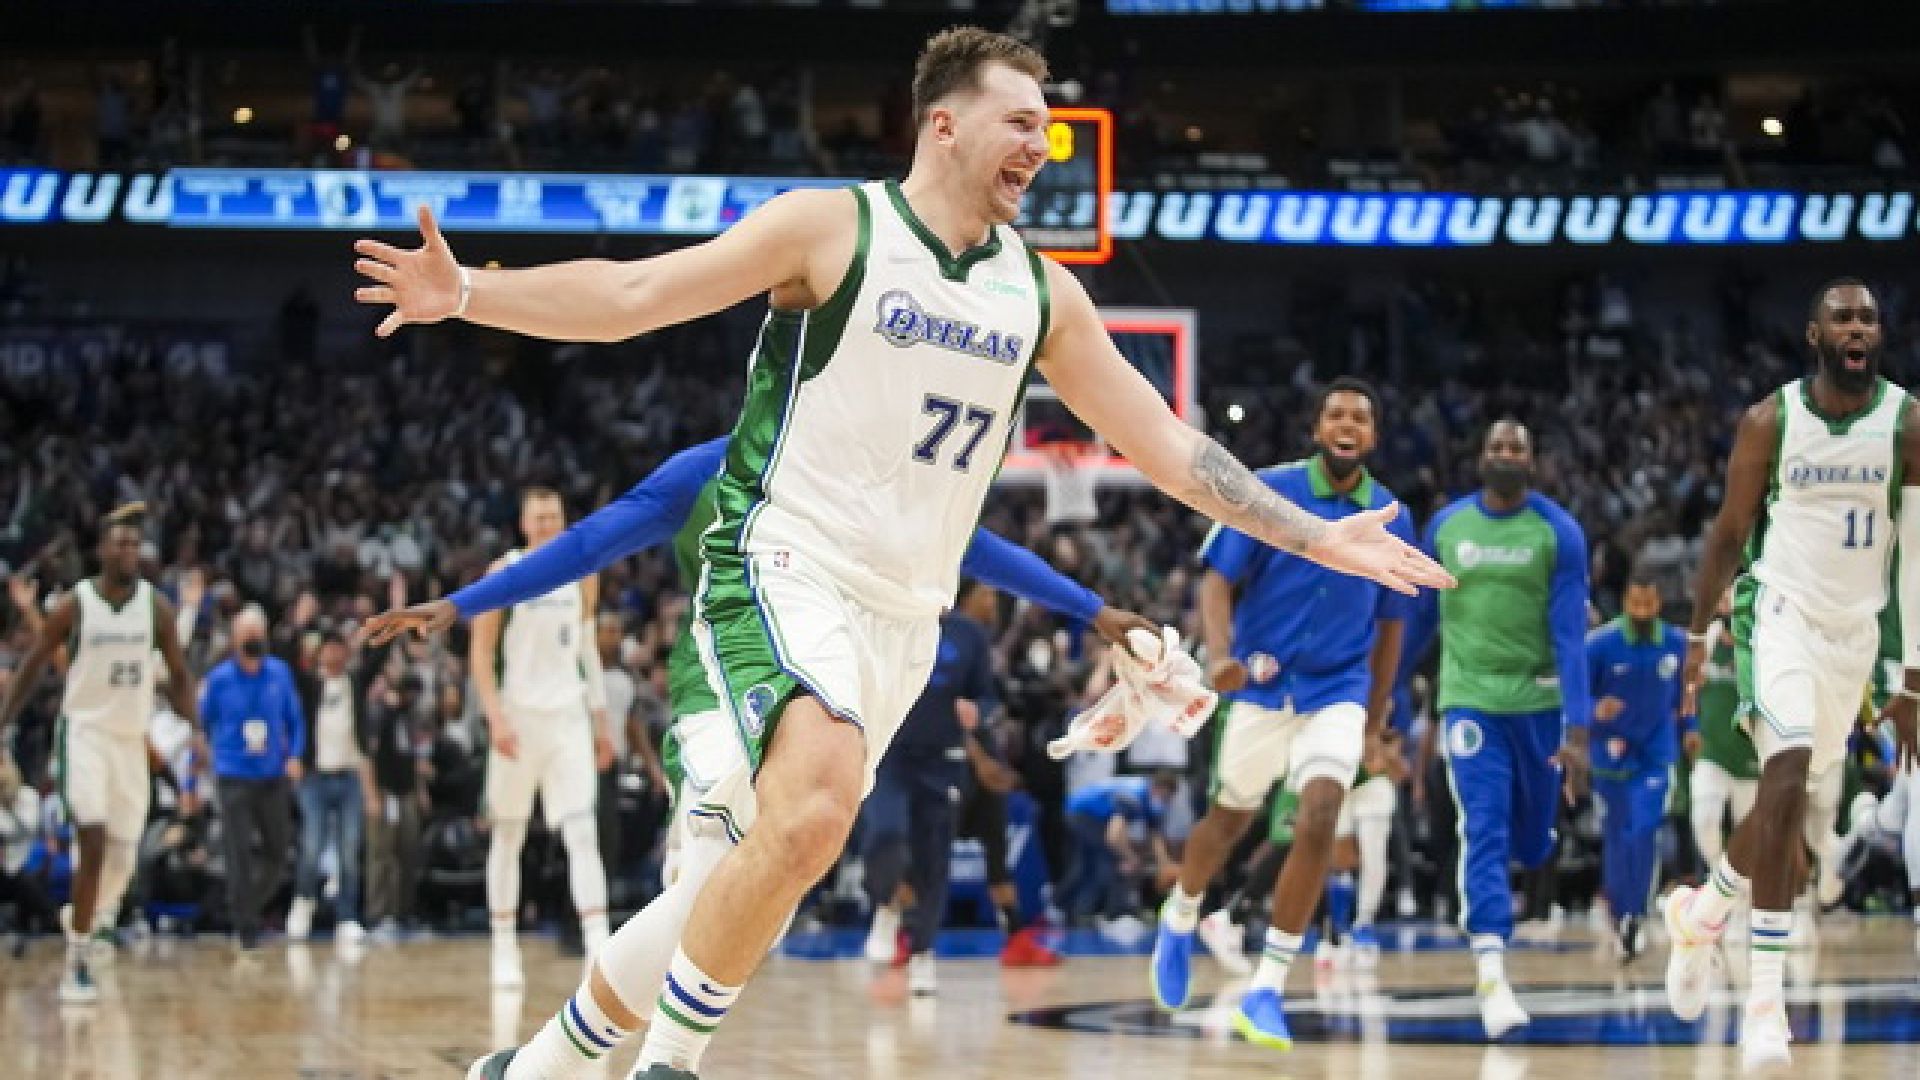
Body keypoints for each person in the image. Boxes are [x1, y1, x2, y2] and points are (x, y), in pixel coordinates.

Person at [354, 27, 1448, 1080]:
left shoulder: (1042, 293)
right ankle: (671, 1067)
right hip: (784, 565)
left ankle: (536, 1066)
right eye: (1021, 122)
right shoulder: (832, 227)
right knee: (817, 806)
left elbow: (1169, 448)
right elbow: (635, 295)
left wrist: (1316, 536)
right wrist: (472, 294)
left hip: (905, 619)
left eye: (1048, 128)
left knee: (749, 872)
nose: (1042, 146)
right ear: (943, 125)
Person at [367, 432, 1147, 1080]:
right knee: (720, 882)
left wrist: (1092, 608)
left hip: (825, 690)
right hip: (718, 688)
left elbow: (966, 544)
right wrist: (462, 604)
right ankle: (636, 1063)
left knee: (755, 902)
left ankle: (539, 1068)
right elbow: (589, 542)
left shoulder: (863, 464)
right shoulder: (708, 468)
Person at [1664, 277, 1920, 1072]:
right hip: (1777, 614)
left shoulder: (1907, 422)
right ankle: (1765, 1007)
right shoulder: (1769, 422)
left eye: (1868, 317)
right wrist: (1698, 636)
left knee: (1790, 795)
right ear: (1815, 335)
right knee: (1785, 772)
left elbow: (1917, 552)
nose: (1857, 327)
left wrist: (1912, 675)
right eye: (1842, 317)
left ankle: (1705, 911)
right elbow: (1727, 535)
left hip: (1855, 635)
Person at [1150, 378, 1413, 1049]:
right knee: (1228, 821)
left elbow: (1392, 628)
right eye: (1336, 413)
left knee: (1320, 814)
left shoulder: (1391, 515)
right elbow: (1217, 579)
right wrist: (1219, 656)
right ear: (1318, 428)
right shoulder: (1267, 489)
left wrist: (1374, 720)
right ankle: (1180, 916)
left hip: (1338, 689)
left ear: (1373, 435)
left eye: (1360, 416)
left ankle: (1267, 987)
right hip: (1262, 684)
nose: (1347, 423)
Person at [1419, 419, 1592, 1039]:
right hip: (1470, 702)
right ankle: (1491, 972)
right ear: (1481, 458)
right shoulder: (1446, 527)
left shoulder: (1559, 532)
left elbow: (1571, 636)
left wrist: (1579, 730)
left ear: (1532, 461)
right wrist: (1383, 699)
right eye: (1496, 446)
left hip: (1539, 705)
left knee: (1533, 841)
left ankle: (1534, 849)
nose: (1506, 454)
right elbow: (1417, 620)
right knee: (1483, 825)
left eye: (1517, 447)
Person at [0, 505, 197, 1003]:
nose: (129, 551)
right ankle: (78, 959)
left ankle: (84, 917)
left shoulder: (156, 608)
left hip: (131, 739)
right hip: (85, 733)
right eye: (120, 543)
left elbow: (179, 674)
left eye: (135, 544)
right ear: (102, 550)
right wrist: (3, 719)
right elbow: (35, 664)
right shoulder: (76, 604)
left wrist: (196, 730)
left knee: (123, 857)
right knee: (91, 836)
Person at [470, 487, 616, 987]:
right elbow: (481, 653)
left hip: (568, 716)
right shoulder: (504, 572)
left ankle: (598, 946)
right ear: (524, 523)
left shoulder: (584, 572)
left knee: (582, 831)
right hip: (518, 717)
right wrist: (494, 717)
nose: (549, 523)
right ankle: (503, 947)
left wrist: (601, 722)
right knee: (508, 834)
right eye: (540, 516)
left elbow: (588, 650)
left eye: (555, 515)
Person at [859, 577, 1000, 994]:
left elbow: (989, 697)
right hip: (890, 756)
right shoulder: (885, 621)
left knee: (933, 863)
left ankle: (923, 954)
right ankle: (885, 904)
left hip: (943, 761)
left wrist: (978, 710)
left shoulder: (968, 635)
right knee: (884, 834)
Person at [1586, 571, 1689, 963]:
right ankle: (1619, 912)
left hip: (1656, 754)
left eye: (1649, 604)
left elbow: (1687, 695)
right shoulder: (1600, 645)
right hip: (1610, 755)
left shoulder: (1676, 644)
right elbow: (1575, 698)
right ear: (1625, 603)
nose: (1643, 611)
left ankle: (1635, 915)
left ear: (1659, 603)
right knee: (1617, 838)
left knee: (1644, 830)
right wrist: (1595, 711)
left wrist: (1692, 729)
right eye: (1636, 604)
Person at [201, 604, 305, 951]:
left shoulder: (280, 673)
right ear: (234, 639)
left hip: (272, 775)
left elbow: (296, 720)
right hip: (233, 775)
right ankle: (245, 928)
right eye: (248, 636)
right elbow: (202, 723)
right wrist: (206, 760)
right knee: (238, 854)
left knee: (278, 851)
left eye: (258, 635)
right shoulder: (219, 680)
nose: (254, 641)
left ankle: (243, 907)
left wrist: (295, 756)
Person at [288, 633, 379, 944]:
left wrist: (391, 619)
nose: (335, 654)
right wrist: (298, 625)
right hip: (315, 777)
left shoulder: (355, 683)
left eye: (340, 649)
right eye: (329, 649)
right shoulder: (310, 686)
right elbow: (287, 655)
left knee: (349, 850)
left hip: (349, 776)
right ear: (320, 652)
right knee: (311, 845)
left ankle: (347, 916)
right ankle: (303, 903)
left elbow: (376, 661)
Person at [1689, 587, 1757, 877]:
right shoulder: (1706, 639)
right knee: (1704, 818)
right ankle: (1718, 878)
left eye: (1733, 595)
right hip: (1712, 751)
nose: (1727, 601)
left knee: (1749, 839)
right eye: (1723, 596)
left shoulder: (1760, 640)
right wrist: (1690, 727)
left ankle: (1741, 889)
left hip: (1750, 754)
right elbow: (1687, 689)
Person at [1059, 771, 1178, 925]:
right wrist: (1131, 857)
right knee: (1105, 865)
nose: (1165, 803)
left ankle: (1068, 908)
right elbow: (1114, 836)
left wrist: (1165, 864)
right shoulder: (1133, 796)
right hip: (1083, 815)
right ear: (1158, 789)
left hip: (1085, 813)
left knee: (1087, 867)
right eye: (1165, 798)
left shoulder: (1149, 798)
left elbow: (1154, 836)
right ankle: (1098, 914)